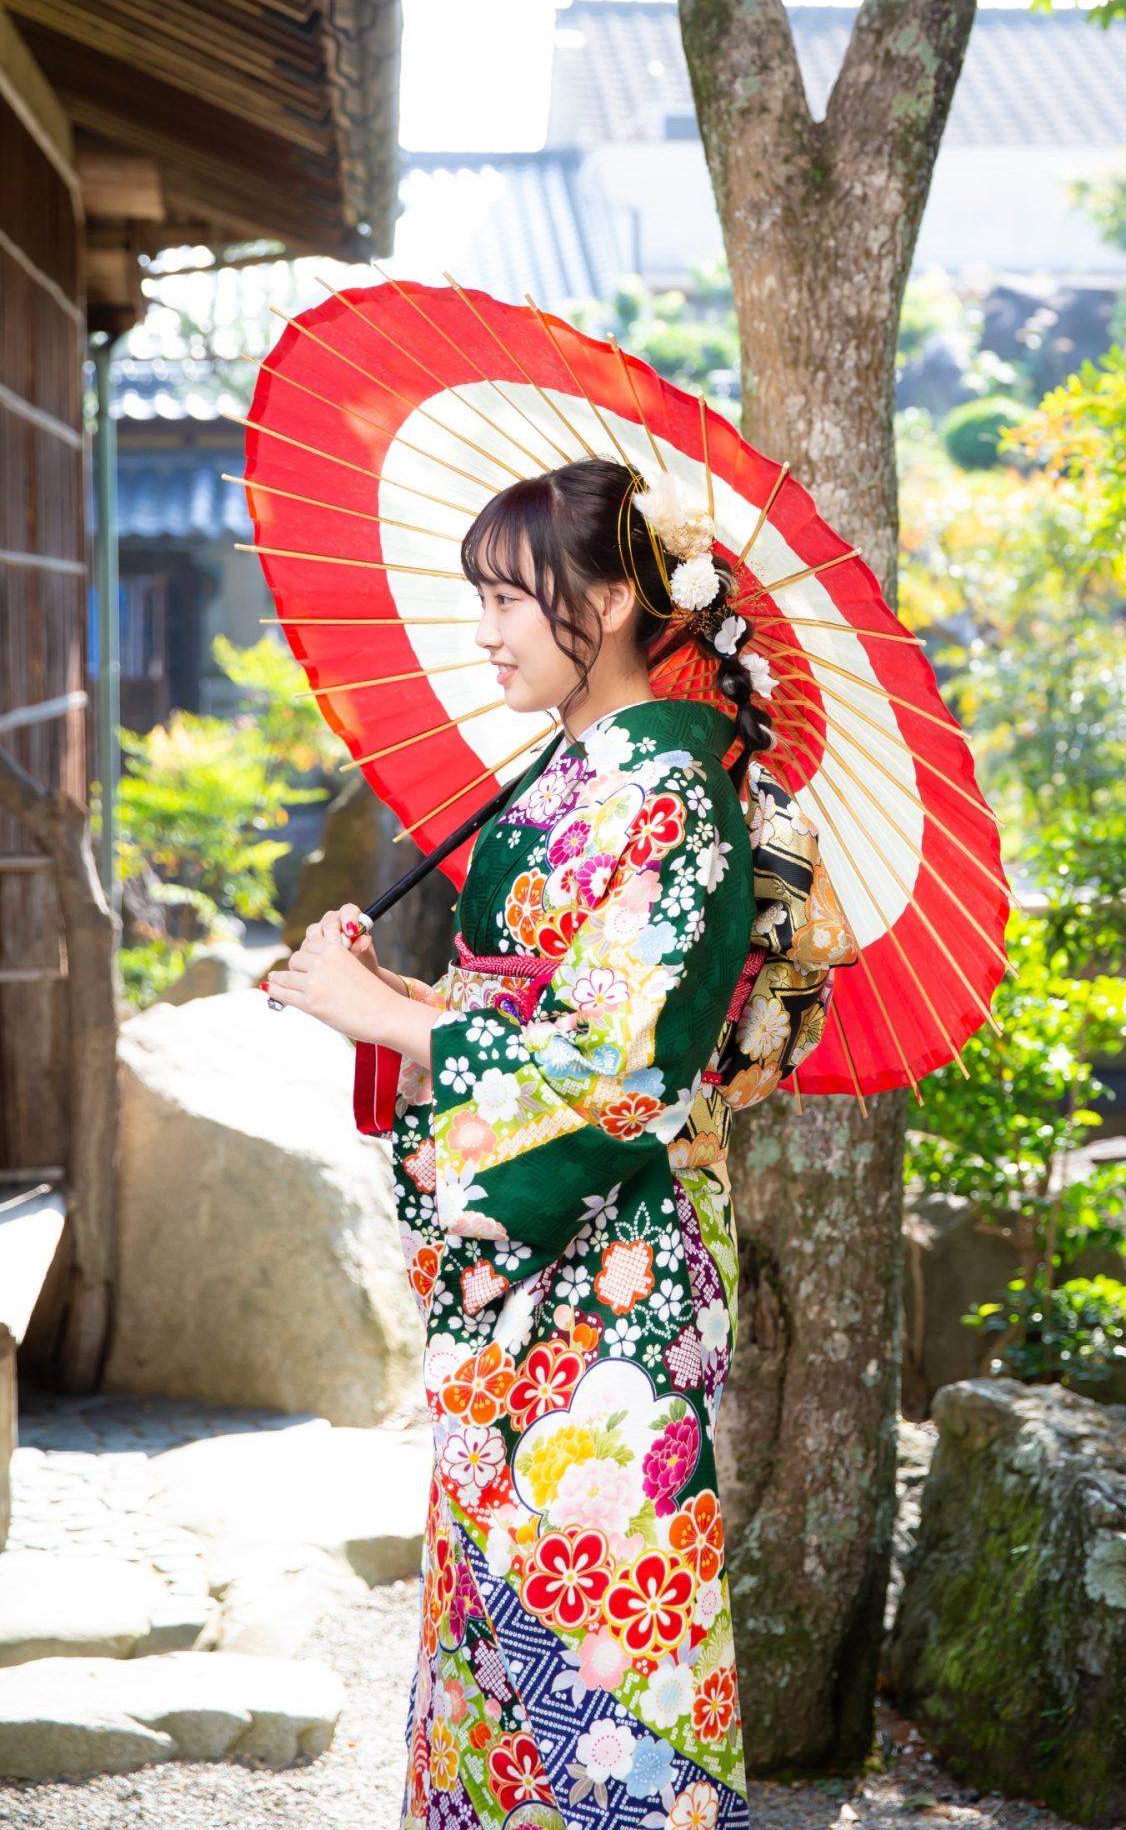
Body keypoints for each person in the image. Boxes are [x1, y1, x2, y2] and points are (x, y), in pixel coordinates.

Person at [271, 457, 778, 1830]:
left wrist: (396, 1018)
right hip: (533, 1267)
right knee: (494, 1628)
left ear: (613, 600)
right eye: (481, 597)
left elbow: (620, 1074)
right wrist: (391, 1004)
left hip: (616, 1271)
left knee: (603, 1603)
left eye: (511, 597)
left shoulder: (678, 801)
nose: (486, 629)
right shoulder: (572, 775)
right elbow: (536, 1021)